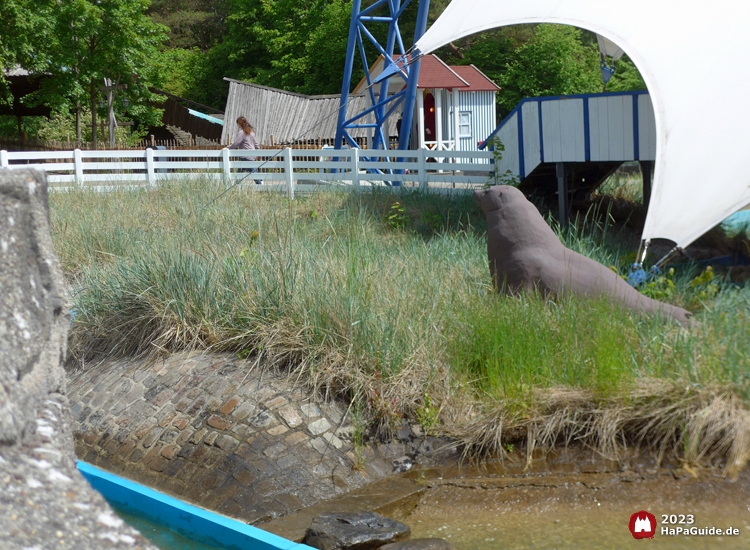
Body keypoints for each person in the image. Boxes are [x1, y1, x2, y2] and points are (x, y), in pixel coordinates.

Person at [228, 116, 262, 184]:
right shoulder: (251, 132)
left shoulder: (242, 132)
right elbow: (256, 144)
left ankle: (260, 185)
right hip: (252, 155)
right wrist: (259, 153)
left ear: (239, 124)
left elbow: (236, 144)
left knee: (252, 172)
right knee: (242, 171)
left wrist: (227, 148)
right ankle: (236, 185)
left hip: (245, 156)